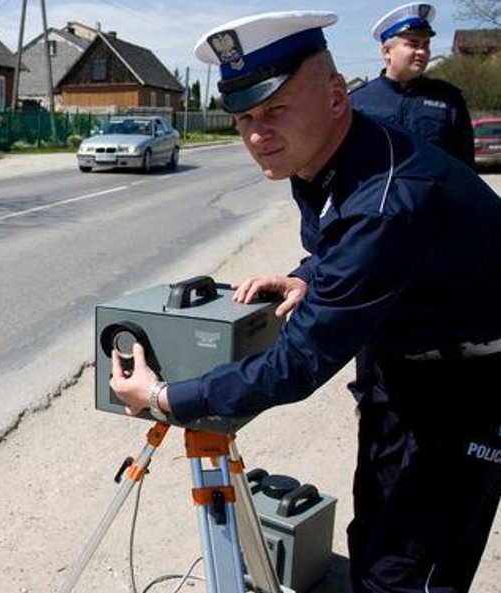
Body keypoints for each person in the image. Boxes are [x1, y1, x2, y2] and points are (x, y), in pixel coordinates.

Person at [109, 10, 501, 593]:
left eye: (275, 110)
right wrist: (309, 277)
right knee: (372, 542)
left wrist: (167, 397)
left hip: (466, 390)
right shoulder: (317, 158)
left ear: (338, 95)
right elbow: (338, 243)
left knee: (412, 575)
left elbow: (297, 364)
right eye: (244, 117)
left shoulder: (387, 200)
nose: (256, 134)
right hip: (398, 366)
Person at [349, 3, 475, 167]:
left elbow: (465, 166)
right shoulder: (358, 102)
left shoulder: (448, 98)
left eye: (426, 44)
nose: (422, 52)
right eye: (413, 44)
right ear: (387, 51)